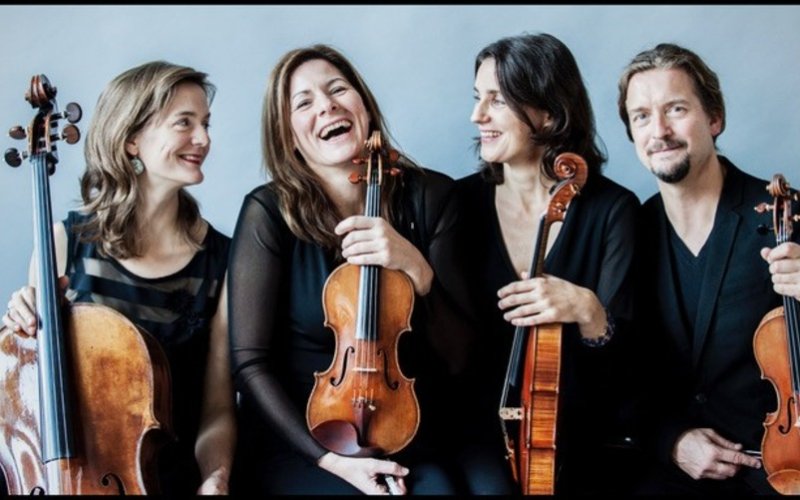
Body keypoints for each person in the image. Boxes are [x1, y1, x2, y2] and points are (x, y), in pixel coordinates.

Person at [227, 44, 475, 495]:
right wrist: (331, 461)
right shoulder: (268, 213)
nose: (327, 106)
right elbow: (250, 364)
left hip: (407, 433)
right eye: (304, 102)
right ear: (288, 136)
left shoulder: (432, 197)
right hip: (303, 441)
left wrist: (417, 270)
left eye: (338, 89)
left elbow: (461, 360)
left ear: (364, 106)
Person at [2, 61, 235, 495]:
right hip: (64, 473)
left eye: (205, 123)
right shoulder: (63, 243)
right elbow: (28, 405)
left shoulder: (222, 261)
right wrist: (17, 331)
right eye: (184, 123)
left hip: (165, 479)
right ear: (131, 139)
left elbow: (217, 407)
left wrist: (215, 478)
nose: (203, 139)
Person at [453, 32, 641, 495]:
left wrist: (589, 311)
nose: (478, 116)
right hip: (474, 434)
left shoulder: (612, 210)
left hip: (579, 434)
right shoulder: (457, 204)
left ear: (550, 113)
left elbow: (632, 372)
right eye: (479, 98)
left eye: (497, 100)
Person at [617, 42, 800, 495]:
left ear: (714, 119)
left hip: (779, 467)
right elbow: (617, 370)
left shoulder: (785, 218)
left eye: (675, 109)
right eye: (641, 116)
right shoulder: (629, 231)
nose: (659, 130)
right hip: (672, 470)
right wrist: (672, 440)